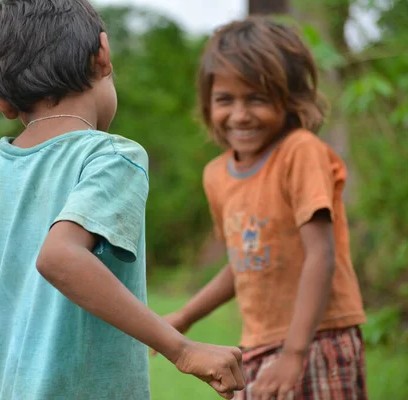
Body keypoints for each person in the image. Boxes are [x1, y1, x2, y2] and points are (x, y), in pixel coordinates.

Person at [0, 1, 245, 399]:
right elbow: (60, 256)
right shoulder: (112, 158)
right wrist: (182, 349)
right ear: (102, 55)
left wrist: (27, 334)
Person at [156, 16, 367, 399]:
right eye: (225, 100)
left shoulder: (299, 152)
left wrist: (295, 352)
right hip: (256, 346)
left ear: (290, 100)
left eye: (257, 98)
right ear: (208, 103)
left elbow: (321, 254)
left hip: (317, 339)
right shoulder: (216, 175)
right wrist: (185, 317)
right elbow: (244, 262)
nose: (240, 115)